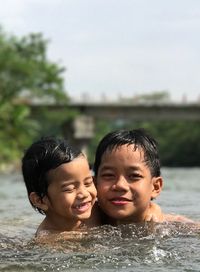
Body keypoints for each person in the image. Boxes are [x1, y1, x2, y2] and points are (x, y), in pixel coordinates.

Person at [93, 128, 193, 225]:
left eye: (134, 176)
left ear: (155, 187)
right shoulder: (83, 219)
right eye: (109, 175)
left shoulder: (173, 226)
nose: (120, 185)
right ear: (95, 184)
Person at [22, 137, 99, 238]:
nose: (84, 194)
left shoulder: (95, 210)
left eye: (88, 183)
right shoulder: (50, 241)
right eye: (70, 189)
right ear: (40, 200)